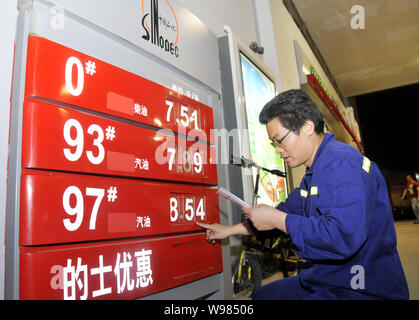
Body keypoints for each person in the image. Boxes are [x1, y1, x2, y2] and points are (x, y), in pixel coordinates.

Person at [197, 89, 409, 300]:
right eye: (274, 143)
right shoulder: (315, 173)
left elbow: (342, 237)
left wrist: (279, 220)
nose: (278, 150)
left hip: (361, 287)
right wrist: (227, 230)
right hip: (329, 279)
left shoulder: (341, 163)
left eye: (280, 140)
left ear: (307, 126)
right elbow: (281, 214)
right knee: (263, 296)